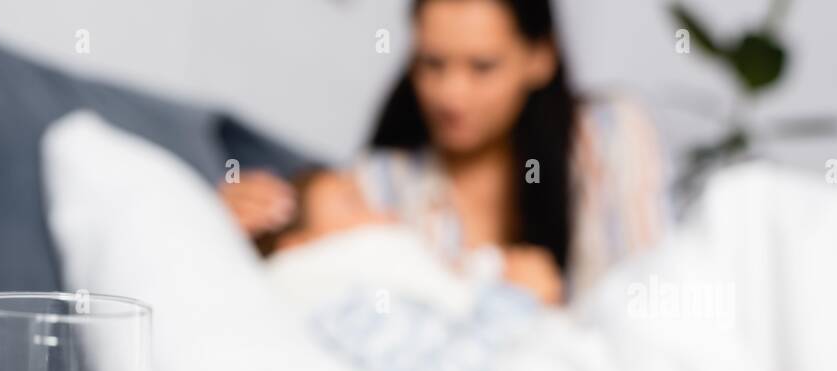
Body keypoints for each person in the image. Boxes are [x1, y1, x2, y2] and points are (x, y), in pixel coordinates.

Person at [220, 0, 669, 304]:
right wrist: (224, 231)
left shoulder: (609, 135)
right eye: (432, 64)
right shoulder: (373, 186)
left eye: (482, 67)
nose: (451, 96)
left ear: (541, 58)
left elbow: (644, 302)